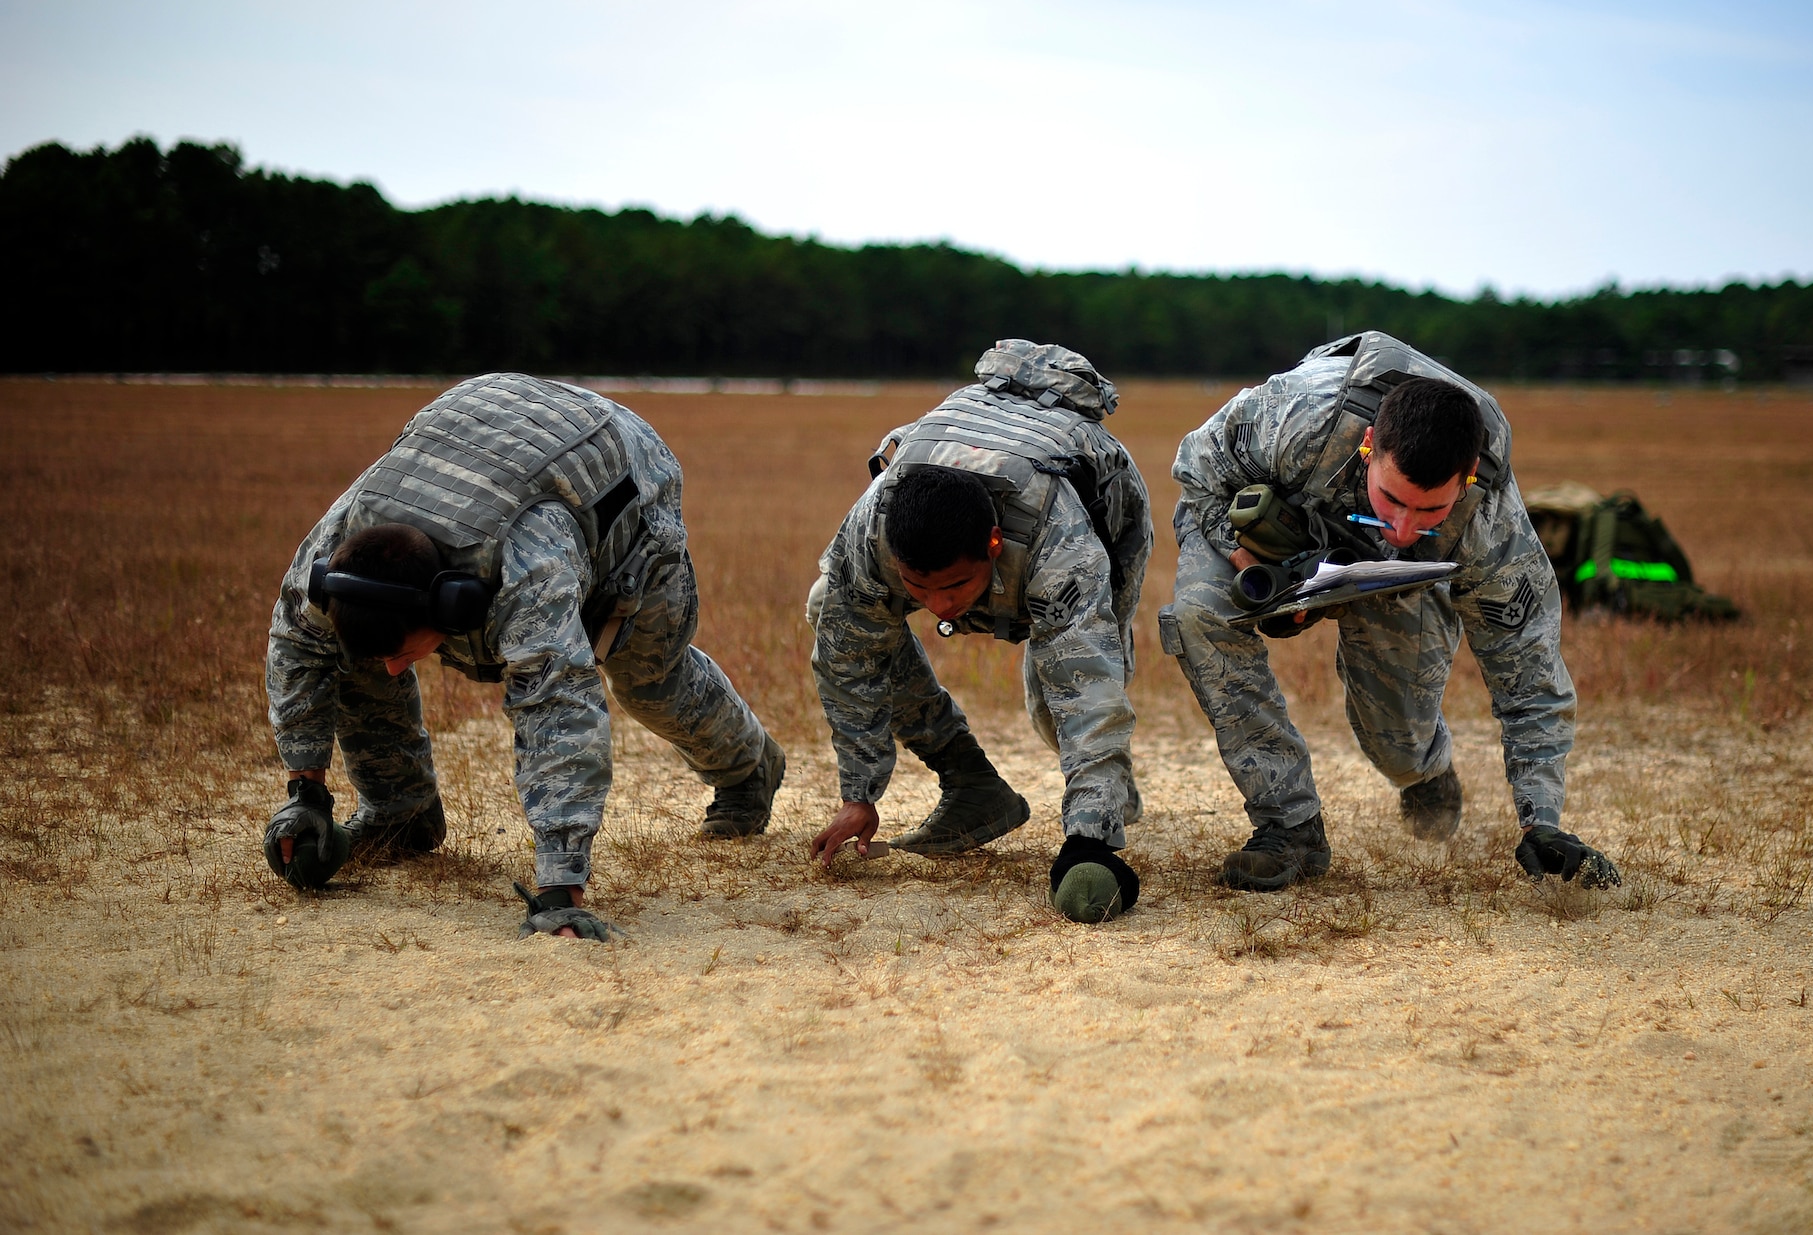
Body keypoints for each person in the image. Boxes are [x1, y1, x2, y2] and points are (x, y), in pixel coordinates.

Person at [261, 373, 784, 940]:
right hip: (491, 431)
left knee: (649, 680)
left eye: (403, 651)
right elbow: (295, 647)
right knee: (355, 656)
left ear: (451, 604)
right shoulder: (340, 544)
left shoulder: (526, 565)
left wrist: (561, 888)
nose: (393, 670)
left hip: (623, 476)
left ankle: (749, 771)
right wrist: (305, 794)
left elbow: (558, 707)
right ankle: (401, 815)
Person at [1161, 331, 1621, 892]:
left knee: (1398, 746)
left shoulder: (1488, 524)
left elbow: (1530, 676)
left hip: (1398, 585)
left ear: (1469, 475)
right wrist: (1245, 557)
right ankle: (1289, 827)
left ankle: (1426, 772)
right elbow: (1195, 477)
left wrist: (1542, 821)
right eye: (1393, 499)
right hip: (1270, 543)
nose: (1405, 529)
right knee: (1197, 614)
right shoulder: (1296, 414)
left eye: (1431, 509)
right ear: (1369, 445)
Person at [805, 341, 1153, 923]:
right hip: (957, 491)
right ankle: (972, 786)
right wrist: (858, 793)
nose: (941, 605)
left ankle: (1103, 799)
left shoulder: (1061, 545)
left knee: (1054, 700)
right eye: (919, 586)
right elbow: (848, 658)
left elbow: (1088, 692)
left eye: (956, 585)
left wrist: (1089, 845)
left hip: (1098, 516)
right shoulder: (871, 526)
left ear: (994, 548)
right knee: (830, 605)